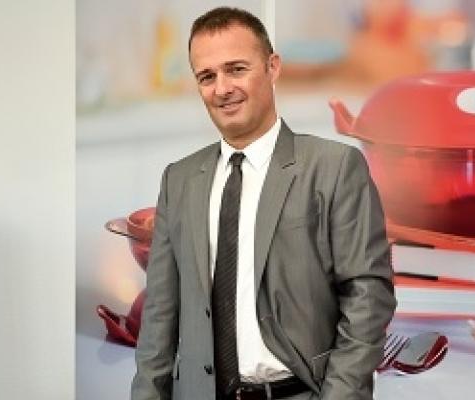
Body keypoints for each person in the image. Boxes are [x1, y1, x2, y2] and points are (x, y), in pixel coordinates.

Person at [130, 7, 396, 400]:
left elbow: (368, 297)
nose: (222, 88)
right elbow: (158, 317)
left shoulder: (334, 167)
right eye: (207, 76)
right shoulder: (179, 180)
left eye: (236, 69)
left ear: (272, 67)